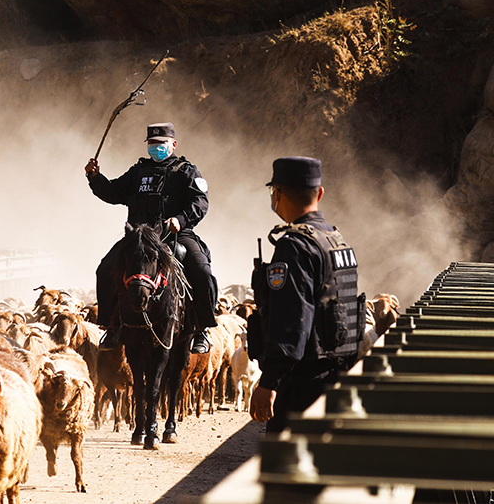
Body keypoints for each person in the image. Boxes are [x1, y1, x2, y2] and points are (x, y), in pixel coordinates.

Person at [249, 157, 364, 432]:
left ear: (276, 193)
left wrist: (269, 382)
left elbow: (292, 321)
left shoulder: (294, 247)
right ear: (320, 193)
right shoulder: (338, 241)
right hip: (339, 374)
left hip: (301, 384)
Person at [84, 122, 218, 353]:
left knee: (201, 271)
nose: (156, 147)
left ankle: (201, 329)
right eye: (152, 143)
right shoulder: (138, 172)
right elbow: (114, 192)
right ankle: (111, 326)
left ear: (173, 144)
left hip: (174, 234)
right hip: (139, 238)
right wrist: (95, 178)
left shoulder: (186, 171)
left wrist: (181, 219)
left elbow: (201, 202)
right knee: (105, 270)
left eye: (161, 143)